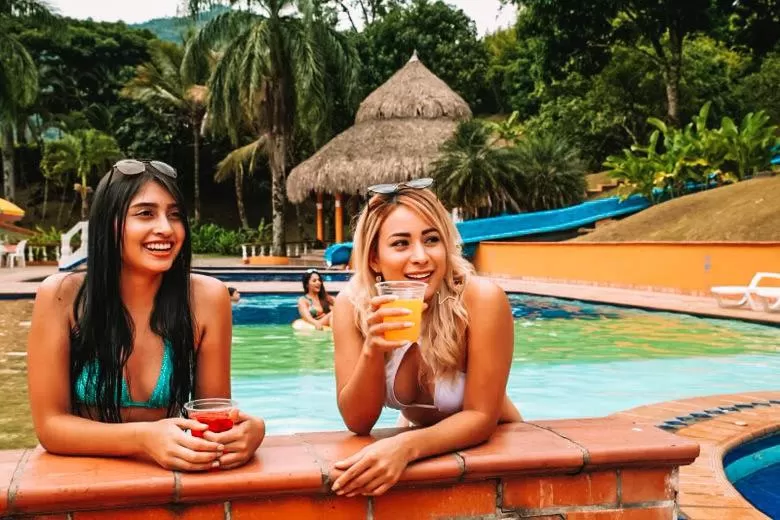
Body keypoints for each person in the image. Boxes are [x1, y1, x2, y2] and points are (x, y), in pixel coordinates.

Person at [27, 159, 265, 471]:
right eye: (145, 213)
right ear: (109, 224)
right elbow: (50, 426)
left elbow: (209, 413)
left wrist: (252, 431)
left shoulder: (208, 298)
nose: (166, 229)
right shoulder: (62, 296)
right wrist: (144, 439)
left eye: (175, 215)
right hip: (86, 482)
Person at [331, 178, 522, 497]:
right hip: (428, 444)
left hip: (497, 452)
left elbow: (482, 416)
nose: (421, 256)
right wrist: (372, 351)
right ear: (374, 258)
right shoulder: (351, 306)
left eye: (431, 239)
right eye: (401, 243)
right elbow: (357, 421)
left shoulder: (481, 300)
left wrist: (406, 446)